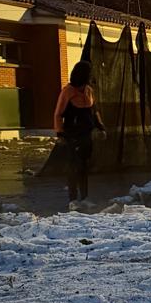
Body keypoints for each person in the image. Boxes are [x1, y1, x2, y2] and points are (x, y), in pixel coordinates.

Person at [53, 60, 106, 203]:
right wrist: (60, 133)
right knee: (74, 166)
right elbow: (58, 114)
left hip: (86, 134)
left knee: (84, 166)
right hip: (72, 135)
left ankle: (85, 197)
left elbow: (94, 111)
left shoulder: (89, 90)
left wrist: (100, 127)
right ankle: (73, 199)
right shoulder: (67, 91)